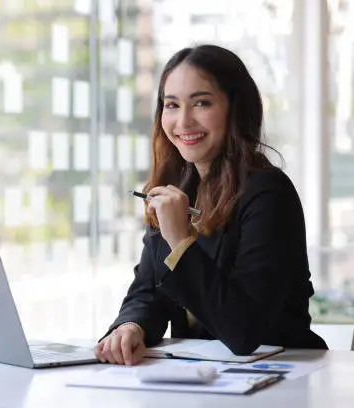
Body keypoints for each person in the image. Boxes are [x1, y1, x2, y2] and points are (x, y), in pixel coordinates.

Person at [94, 44, 328, 366]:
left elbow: (244, 330)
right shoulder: (178, 191)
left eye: (201, 103)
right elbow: (148, 291)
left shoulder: (269, 194)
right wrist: (130, 326)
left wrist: (180, 241)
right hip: (204, 378)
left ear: (236, 109)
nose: (183, 121)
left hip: (280, 374)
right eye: (172, 105)